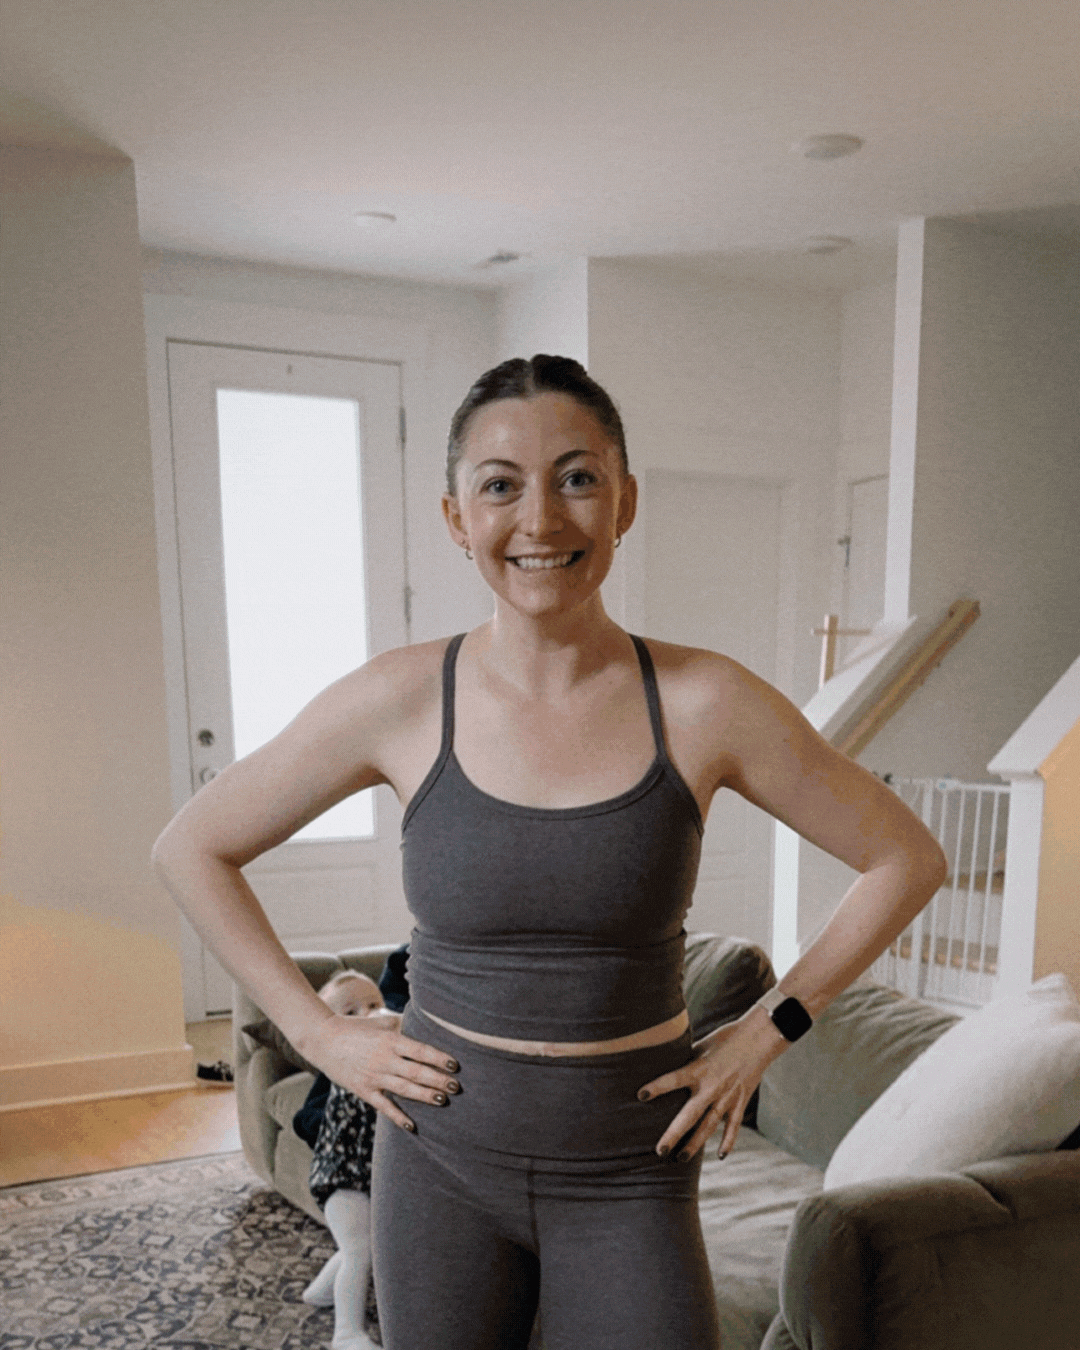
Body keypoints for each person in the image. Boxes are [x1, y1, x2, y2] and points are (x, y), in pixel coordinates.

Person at [153, 354, 947, 1350]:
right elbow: (194, 846)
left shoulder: (708, 702)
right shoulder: (400, 698)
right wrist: (316, 1035)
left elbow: (905, 857)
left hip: (630, 1168)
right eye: (501, 485)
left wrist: (768, 1026)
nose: (541, 519)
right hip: (437, 1160)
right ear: (456, 517)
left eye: (577, 477)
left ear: (624, 502)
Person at [294, 970, 391, 1350]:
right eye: (352, 1011)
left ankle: (319, 1292)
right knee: (359, 1249)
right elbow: (308, 1115)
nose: (368, 1015)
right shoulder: (340, 1064)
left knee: (358, 1243)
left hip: (369, 1175)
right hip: (340, 1176)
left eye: (375, 1004)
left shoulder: (387, 1052)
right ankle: (347, 1334)